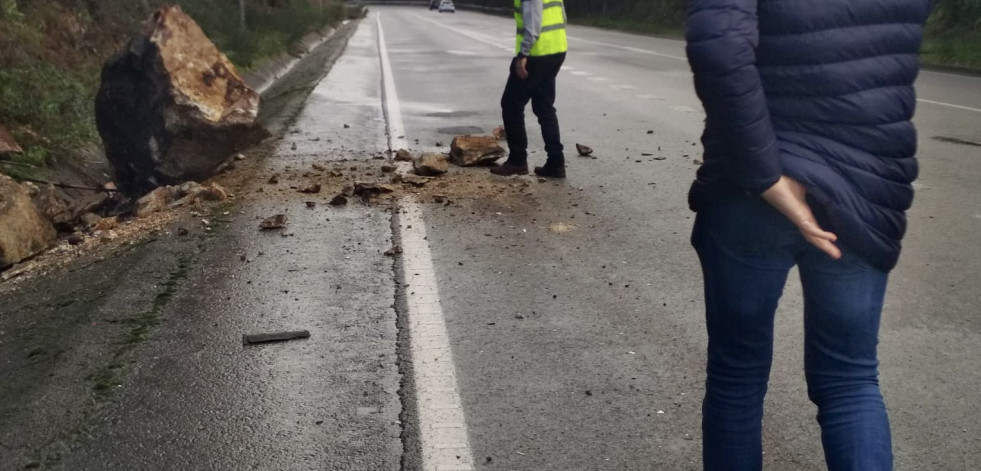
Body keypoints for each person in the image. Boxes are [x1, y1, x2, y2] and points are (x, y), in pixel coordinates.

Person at [685, 0, 933, 469]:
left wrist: (765, 177)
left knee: (736, 377)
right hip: (865, 189)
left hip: (748, 189)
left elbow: (720, 46)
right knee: (851, 382)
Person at [490, 0, 568, 178]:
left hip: (537, 54)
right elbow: (562, 16)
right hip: (557, 49)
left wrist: (523, 55)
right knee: (544, 106)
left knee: (511, 104)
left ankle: (517, 160)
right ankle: (556, 162)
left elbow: (533, 24)